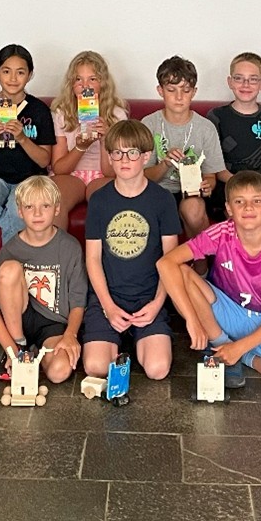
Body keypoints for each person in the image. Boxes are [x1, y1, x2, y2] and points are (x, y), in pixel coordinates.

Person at [157, 170, 261, 395]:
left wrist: (240, 348)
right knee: (182, 271)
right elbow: (165, 263)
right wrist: (192, 320)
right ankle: (219, 345)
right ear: (229, 209)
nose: (248, 208)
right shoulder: (221, 233)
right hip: (223, 311)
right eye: (239, 202)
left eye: (257, 201)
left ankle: (242, 356)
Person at [83, 120, 180, 381]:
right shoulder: (99, 200)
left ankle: (134, 340)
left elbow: (171, 260)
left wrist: (157, 303)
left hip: (148, 297)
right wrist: (108, 307)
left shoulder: (163, 199)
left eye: (132, 153)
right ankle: (115, 341)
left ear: (146, 157)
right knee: (95, 367)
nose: (124, 159)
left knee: (157, 369)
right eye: (117, 152)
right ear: (109, 157)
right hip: (108, 297)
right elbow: (92, 259)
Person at [0, 44, 56, 312]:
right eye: (6, 71)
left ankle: (7, 276)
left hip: (29, 179)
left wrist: (22, 137)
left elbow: (44, 160)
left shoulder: (38, 110)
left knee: (16, 213)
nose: (13, 78)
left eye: (20, 72)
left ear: (30, 75)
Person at [0, 175, 87, 386]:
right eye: (29, 207)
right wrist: (12, 351)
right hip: (18, 322)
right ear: (20, 212)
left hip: (53, 324)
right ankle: (21, 348)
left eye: (45, 206)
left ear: (57, 209)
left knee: (59, 372)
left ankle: (36, 355)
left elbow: (78, 302)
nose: (37, 213)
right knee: (10, 269)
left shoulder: (70, 247)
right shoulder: (10, 249)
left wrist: (70, 335)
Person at [141, 56, 227, 238]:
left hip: (193, 192)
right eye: (171, 90)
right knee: (155, 208)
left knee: (193, 209)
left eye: (185, 90)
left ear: (194, 92)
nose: (179, 97)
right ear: (160, 91)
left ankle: (202, 256)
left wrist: (207, 186)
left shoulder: (205, 128)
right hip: (158, 190)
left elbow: (210, 176)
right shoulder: (149, 124)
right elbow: (143, 176)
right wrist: (165, 163)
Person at [208, 52, 261, 232]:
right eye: (239, 78)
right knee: (242, 210)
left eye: (253, 79)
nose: (245, 85)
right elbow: (216, 166)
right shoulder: (217, 116)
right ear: (230, 82)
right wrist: (241, 186)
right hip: (230, 185)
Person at [49, 51, 127, 231]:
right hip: (71, 175)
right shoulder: (62, 113)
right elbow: (60, 169)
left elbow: (111, 172)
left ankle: (102, 250)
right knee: (53, 203)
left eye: (92, 79)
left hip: (103, 175)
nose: (85, 86)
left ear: (103, 83)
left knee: (108, 204)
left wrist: (106, 139)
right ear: (71, 84)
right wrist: (80, 147)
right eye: (78, 80)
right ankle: (57, 250)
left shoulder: (117, 114)